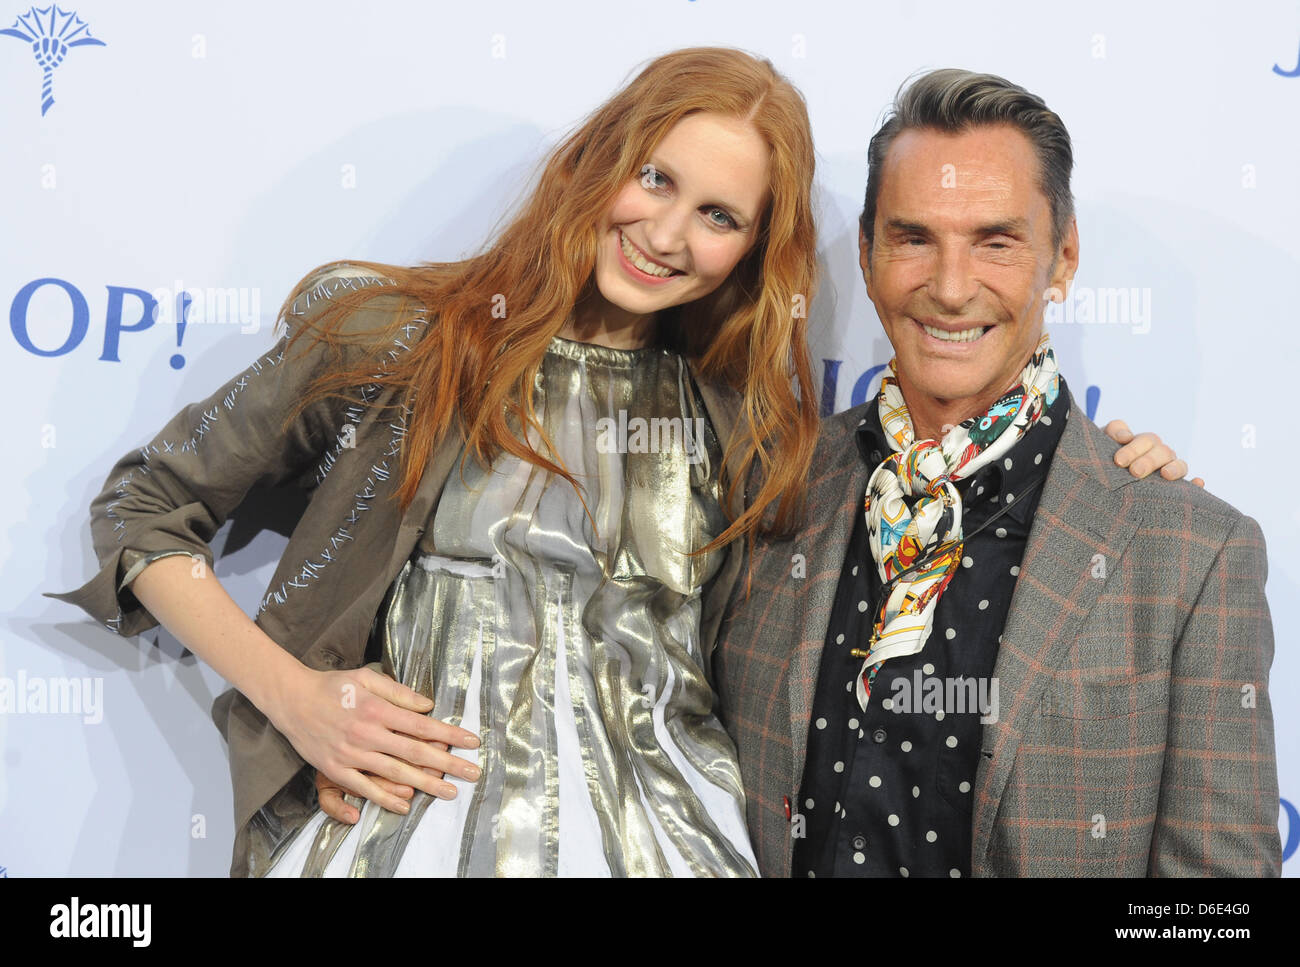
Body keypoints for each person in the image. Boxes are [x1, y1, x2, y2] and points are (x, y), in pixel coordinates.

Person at [48, 49, 1189, 878]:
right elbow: (145, 511)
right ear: (597, 164)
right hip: (405, 828)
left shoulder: (744, 421)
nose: (667, 233)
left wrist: (1107, 472)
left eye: (718, 215)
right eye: (653, 180)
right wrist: (297, 699)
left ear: (754, 249)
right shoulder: (396, 335)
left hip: (678, 841)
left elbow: (928, 489)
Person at [712, 68, 1281, 878]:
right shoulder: (769, 485)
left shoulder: (1188, 551)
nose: (949, 288)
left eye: (996, 241)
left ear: (1064, 256)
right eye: (913, 237)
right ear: (869, 251)